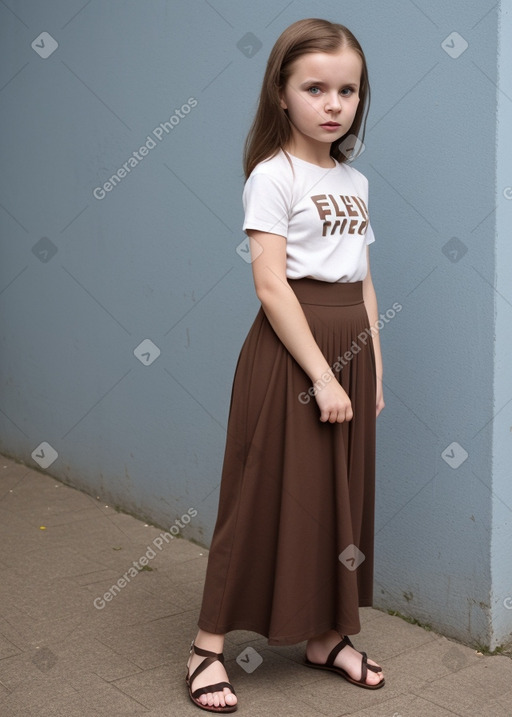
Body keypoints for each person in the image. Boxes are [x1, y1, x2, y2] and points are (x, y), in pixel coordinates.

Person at [185, 17, 385, 713]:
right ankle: (207, 647)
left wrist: (373, 369)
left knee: (342, 496)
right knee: (260, 493)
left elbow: (362, 279)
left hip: (349, 345)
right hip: (290, 353)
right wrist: (323, 376)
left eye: (348, 90)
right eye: (315, 87)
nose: (334, 103)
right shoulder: (273, 175)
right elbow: (270, 284)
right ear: (281, 93)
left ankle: (327, 635)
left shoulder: (355, 181)